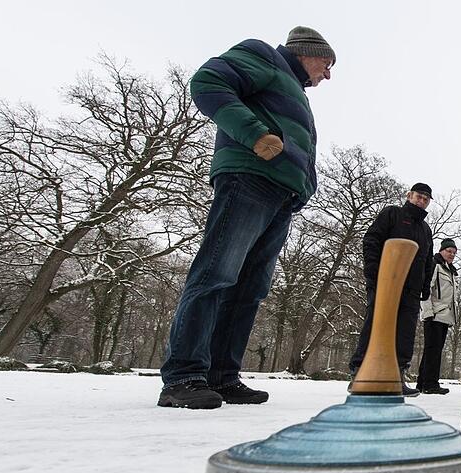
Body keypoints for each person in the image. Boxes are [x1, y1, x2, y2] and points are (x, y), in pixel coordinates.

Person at [158, 27, 336, 409]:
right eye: (326, 63)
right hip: (249, 179)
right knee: (216, 273)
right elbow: (207, 82)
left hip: (281, 196)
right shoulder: (265, 57)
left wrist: (304, 187)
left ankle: (221, 376)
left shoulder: (294, 91)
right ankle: (184, 375)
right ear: (306, 52)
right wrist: (254, 134)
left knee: (249, 288)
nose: (327, 74)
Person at [349, 183, 435, 397]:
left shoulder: (425, 230)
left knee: (405, 332)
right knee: (376, 324)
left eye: (426, 199)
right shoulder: (392, 214)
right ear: (409, 195)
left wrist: (425, 285)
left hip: (411, 290)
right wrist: (372, 270)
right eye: (419, 196)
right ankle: (359, 374)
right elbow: (371, 239)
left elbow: (427, 261)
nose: (422, 201)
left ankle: (396, 376)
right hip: (385, 282)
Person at [416, 238, 459, 395]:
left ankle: (422, 383)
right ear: (442, 250)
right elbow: (426, 289)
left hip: (445, 317)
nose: (452, 254)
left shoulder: (451, 271)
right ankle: (430, 384)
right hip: (434, 315)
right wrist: (428, 313)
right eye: (449, 251)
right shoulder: (435, 265)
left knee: (433, 350)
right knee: (432, 350)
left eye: (454, 253)